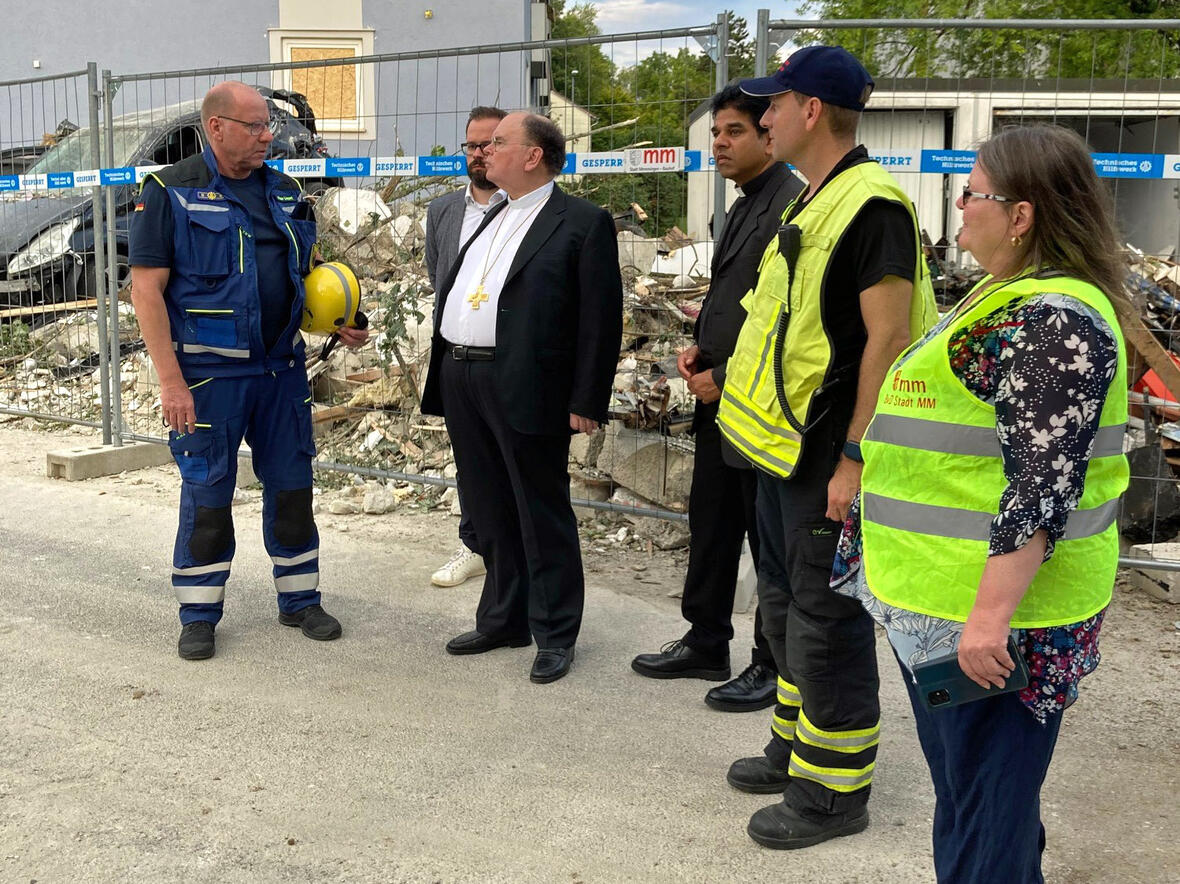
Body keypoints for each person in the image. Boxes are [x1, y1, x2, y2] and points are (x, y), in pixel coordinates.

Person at [846, 124, 1129, 883]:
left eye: (971, 192)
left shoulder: (1052, 320)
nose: (960, 208)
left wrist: (987, 621)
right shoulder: (1006, 297)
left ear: (1022, 214)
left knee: (985, 817)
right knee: (975, 800)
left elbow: (1040, 486)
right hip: (944, 601)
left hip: (998, 624)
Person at [716, 46, 937, 848]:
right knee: (785, 606)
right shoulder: (814, 199)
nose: (764, 116)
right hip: (779, 454)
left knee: (826, 618)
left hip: (824, 460)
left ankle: (836, 793)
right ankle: (796, 748)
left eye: (774, 104)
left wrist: (855, 459)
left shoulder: (872, 208)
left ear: (811, 111)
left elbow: (888, 340)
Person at [129, 81, 368, 660]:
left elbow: (305, 274)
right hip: (209, 380)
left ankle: (300, 600)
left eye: (269, 126)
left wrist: (340, 319)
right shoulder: (170, 191)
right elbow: (146, 292)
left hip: (280, 372)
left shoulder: (286, 193)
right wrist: (170, 381)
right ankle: (199, 612)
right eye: (256, 126)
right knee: (208, 495)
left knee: (293, 488)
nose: (269, 136)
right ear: (216, 127)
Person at [421, 112, 623, 684]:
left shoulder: (580, 222)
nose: (484, 151)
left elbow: (600, 320)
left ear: (533, 155)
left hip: (526, 382)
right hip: (463, 375)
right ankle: (503, 618)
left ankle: (555, 631)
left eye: (498, 143)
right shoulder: (494, 216)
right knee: (487, 506)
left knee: (539, 510)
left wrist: (587, 397)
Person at [630, 85, 802, 713]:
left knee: (766, 540)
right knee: (712, 523)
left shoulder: (790, 204)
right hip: (719, 396)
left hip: (757, 404)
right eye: (716, 134)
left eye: (734, 131)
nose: (720, 144)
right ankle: (706, 640)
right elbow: (740, 301)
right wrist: (702, 348)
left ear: (769, 135)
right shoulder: (746, 203)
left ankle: (771, 662)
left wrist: (727, 375)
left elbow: (791, 321)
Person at [424, 106, 507, 588]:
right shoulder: (443, 211)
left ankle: (513, 550)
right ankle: (474, 545)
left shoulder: (523, 210)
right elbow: (438, 273)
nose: (478, 154)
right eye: (471, 145)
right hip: (456, 359)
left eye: (489, 144)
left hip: (507, 359)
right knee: (470, 459)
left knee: (510, 457)